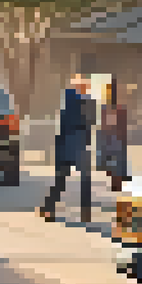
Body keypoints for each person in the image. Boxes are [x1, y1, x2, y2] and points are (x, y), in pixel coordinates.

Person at [40, 77, 97, 222]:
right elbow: (90, 124)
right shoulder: (89, 103)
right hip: (80, 146)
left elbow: (61, 126)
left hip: (65, 146)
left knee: (60, 180)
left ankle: (48, 209)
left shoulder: (66, 101)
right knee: (85, 180)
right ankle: (85, 214)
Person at [96, 78, 130, 203]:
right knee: (116, 159)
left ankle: (117, 176)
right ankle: (117, 176)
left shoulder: (108, 109)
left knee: (114, 159)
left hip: (112, 138)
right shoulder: (115, 110)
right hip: (113, 139)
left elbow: (106, 127)